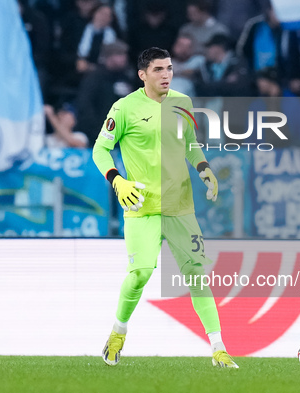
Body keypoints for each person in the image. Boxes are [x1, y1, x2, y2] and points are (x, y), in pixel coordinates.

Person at [92, 47, 238, 368]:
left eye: (169, 68)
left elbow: (189, 144)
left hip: (180, 207)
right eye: (158, 70)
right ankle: (119, 332)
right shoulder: (125, 107)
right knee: (140, 274)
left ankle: (218, 348)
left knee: (198, 276)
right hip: (142, 205)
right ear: (142, 74)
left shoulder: (182, 103)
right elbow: (100, 149)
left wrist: (203, 168)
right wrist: (117, 180)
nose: (166, 75)